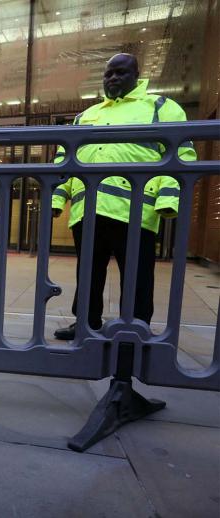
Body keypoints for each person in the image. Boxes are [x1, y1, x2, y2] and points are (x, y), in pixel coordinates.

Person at [51, 53, 196, 340]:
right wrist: (57, 198)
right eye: (108, 74)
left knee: (138, 275)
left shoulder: (161, 107)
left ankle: (136, 326)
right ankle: (85, 323)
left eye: (121, 72)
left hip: (136, 210)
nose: (113, 78)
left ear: (137, 75)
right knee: (89, 273)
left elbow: (181, 154)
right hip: (88, 208)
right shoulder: (86, 115)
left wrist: (167, 199)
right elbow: (64, 159)